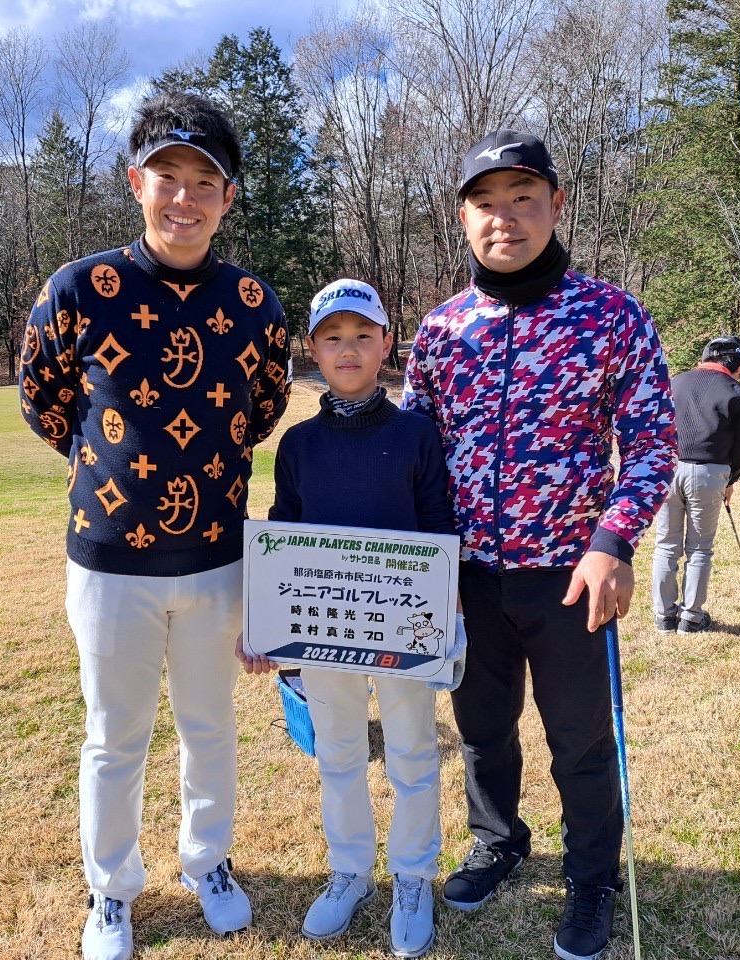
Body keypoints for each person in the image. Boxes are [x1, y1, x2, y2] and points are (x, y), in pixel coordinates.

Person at [17, 90, 291, 960]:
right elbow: (44, 400)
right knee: (115, 737)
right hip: (109, 568)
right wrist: (111, 471)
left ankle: (208, 861)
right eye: (167, 177)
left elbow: (262, 410)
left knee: (210, 728)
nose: (184, 198)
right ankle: (111, 889)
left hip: (215, 562)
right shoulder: (78, 290)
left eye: (204, 181)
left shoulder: (255, 302)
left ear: (228, 197)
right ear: (136, 183)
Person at [402, 129, 677, 960]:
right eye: (485, 203)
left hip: (570, 575)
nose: (504, 218)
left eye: (523, 198)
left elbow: (653, 443)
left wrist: (613, 543)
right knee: (482, 729)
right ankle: (498, 839)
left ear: (555, 205)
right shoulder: (441, 330)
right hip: (467, 578)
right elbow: (416, 454)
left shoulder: (612, 315)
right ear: (462, 218)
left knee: (579, 740)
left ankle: (592, 876)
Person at [236, 278, 464, 958]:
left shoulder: (416, 435)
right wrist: (264, 619)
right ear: (312, 349)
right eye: (333, 337)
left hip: (401, 629)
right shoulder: (298, 445)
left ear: (386, 345)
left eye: (363, 335)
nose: (349, 349)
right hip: (324, 630)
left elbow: (437, 522)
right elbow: (283, 531)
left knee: (413, 755)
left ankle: (413, 876)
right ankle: (350, 871)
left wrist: (445, 604)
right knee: (338, 754)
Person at [652, 336, 740, 634]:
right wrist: (731, 480)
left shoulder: (675, 382)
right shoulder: (737, 392)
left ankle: (664, 617)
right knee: (699, 548)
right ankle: (691, 618)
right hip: (709, 473)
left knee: (666, 545)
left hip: (668, 470)